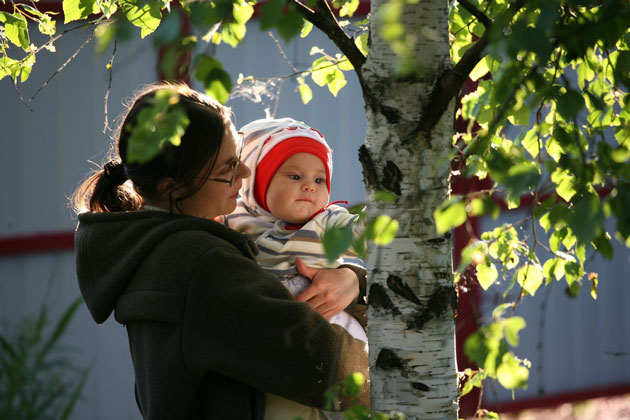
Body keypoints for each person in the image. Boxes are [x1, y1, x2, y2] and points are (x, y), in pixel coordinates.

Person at [71, 83, 369, 420]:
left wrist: (351, 277)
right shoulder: (199, 261)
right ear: (174, 187)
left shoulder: (154, 247)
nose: (244, 173)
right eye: (228, 167)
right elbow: (329, 365)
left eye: (239, 157)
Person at [223, 119, 367, 420]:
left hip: (336, 337)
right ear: (257, 184)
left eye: (320, 180)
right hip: (279, 360)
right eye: (294, 175)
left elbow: (368, 235)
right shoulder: (234, 228)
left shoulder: (326, 223)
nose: (309, 187)